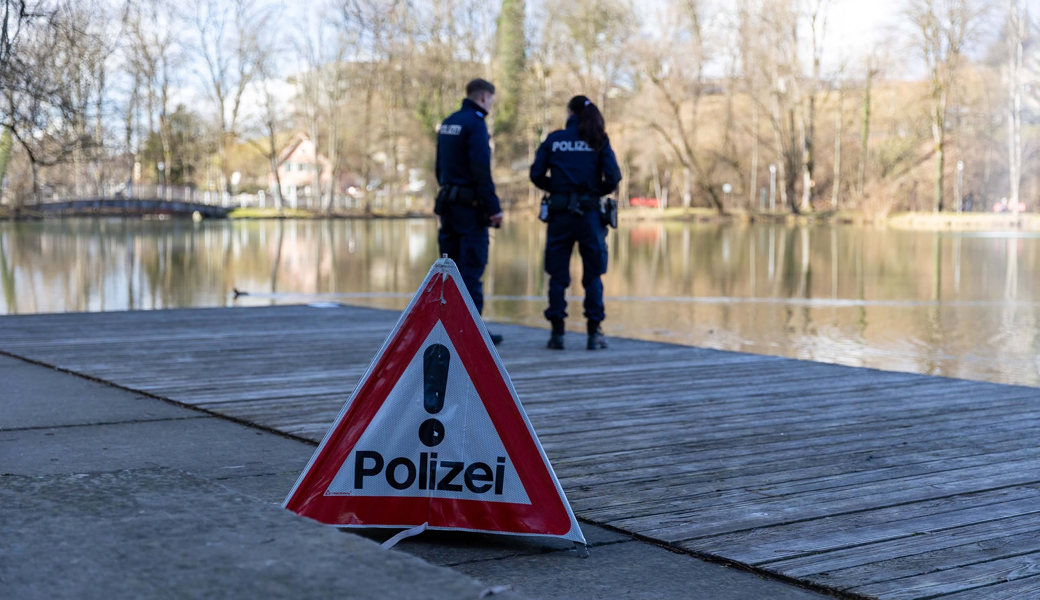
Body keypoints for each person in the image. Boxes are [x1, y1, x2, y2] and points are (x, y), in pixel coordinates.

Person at [530, 95, 622, 351]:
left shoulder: (554, 139)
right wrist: (595, 191)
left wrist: (557, 189)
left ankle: (557, 334)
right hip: (590, 215)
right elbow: (614, 176)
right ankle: (594, 335)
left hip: (560, 215)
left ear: (569, 112)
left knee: (558, 276)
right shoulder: (598, 140)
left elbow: (536, 174)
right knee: (593, 275)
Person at [435, 78, 505, 345]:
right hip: (470, 209)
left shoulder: (449, 122)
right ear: (485, 97)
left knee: (448, 270)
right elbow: (480, 170)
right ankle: (472, 336)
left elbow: (439, 166)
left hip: (448, 204)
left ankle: (447, 328)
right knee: (471, 270)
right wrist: (493, 208)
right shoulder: (475, 124)